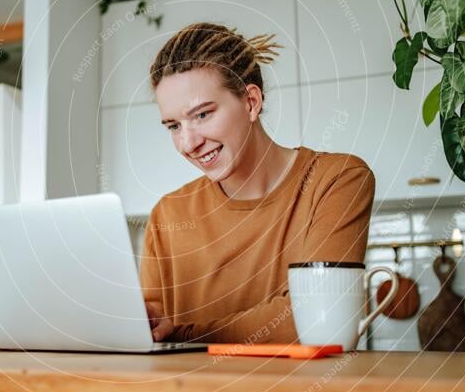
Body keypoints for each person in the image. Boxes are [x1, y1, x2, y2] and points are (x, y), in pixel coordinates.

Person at [140, 22, 376, 344]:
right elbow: (150, 328)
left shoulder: (336, 181)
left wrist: (184, 336)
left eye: (203, 115)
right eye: (173, 126)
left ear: (251, 102)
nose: (187, 143)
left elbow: (315, 318)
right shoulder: (167, 215)